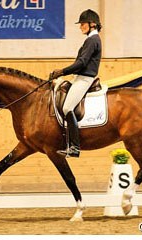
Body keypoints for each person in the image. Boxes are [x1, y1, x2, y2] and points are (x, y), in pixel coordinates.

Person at [50, 9, 102, 158]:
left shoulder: (93, 40)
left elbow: (82, 62)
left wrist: (62, 71)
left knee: (67, 107)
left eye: (83, 24)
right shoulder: (91, 39)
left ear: (92, 24)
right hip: (79, 77)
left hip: (85, 79)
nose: (81, 27)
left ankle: (74, 147)